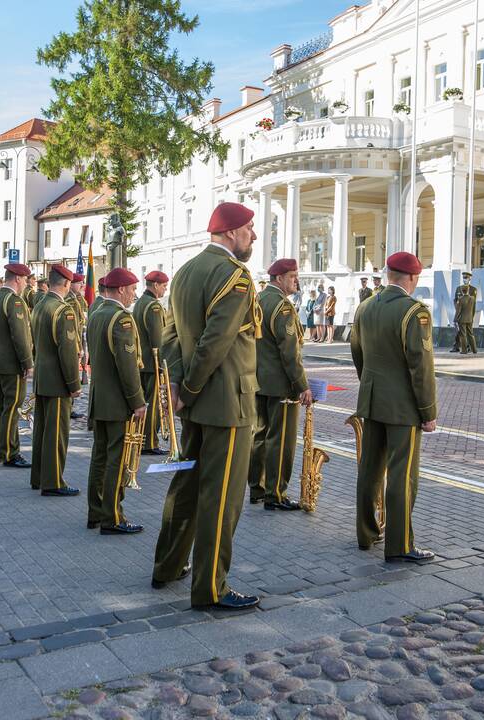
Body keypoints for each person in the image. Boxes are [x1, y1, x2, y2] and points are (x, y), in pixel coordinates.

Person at [151, 201, 261, 610]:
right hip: (227, 402)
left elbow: (169, 334)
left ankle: (167, 565)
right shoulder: (235, 276)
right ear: (231, 232)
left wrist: (179, 384)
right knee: (221, 499)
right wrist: (192, 386)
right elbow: (218, 341)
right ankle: (211, 587)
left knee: (186, 487)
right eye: (249, 228)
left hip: (195, 402)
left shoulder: (184, 273)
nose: (252, 235)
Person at [349, 251, 436, 564]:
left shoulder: (365, 307)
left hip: (371, 401)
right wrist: (428, 411)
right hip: (402, 407)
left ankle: (365, 533)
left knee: (369, 470)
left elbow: (357, 353)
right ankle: (399, 545)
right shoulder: (414, 312)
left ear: (388, 274)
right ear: (412, 278)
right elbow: (421, 367)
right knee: (403, 475)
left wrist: (369, 385)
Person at [86, 268, 147, 533]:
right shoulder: (121, 319)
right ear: (121, 289)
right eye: (132, 289)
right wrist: (138, 401)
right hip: (117, 402)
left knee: (99, 458)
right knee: (115, 460)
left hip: (99, 399)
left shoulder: (96, 314)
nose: (134, 294)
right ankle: (113, 517)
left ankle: (96, 512)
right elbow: (128, 366)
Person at [247, 258, 311, 509]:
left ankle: (257, 488)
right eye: (293, 276)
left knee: (260, 436)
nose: (296, 280)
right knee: (281, 440)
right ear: (279, 278)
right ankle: (276, 494)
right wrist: (301, 385)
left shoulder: (259, 299)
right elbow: (289, 351)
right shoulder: (282, 306)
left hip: (258, 381)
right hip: (281, 386)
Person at [29, 265, 81, 496]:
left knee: (42, 431)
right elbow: (67, 352)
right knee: (56, 434)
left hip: (42, 377)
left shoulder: (40, 305)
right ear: (67, 284)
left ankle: (39, 477)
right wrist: (74, 383)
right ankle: (53, 482)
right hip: (58, 380)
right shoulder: (63, 310)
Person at [0, 263, 34, 468]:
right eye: (24, 280)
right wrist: (27, 362)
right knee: (11, 407)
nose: (25, 283)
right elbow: (20, 336)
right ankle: (10, 452)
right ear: (17, 279)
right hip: (12, 364)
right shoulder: (14, 301)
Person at [132, 270, 169, 455]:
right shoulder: (154, 306)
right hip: (152, 363)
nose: (164, 289)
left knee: (145, 402)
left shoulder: (140, 303)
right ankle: (149, 442)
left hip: (142, 362)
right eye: (163, 286)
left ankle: (142, 438)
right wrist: (163, 364)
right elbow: (158, 339)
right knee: (153, 404)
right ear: (155, 285)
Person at [68, 273, 89, 421]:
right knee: (71, 375)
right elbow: (72, 327)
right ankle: (68, 406)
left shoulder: (77, 299)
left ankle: (70, 406)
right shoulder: (71, 301)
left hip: (78, 337)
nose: (82, 286)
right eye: (79, 283)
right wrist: (78, 347)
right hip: (73, 340)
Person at [454, 271, 478, 355]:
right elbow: (455, 300)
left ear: (470, 278)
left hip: (464, 316)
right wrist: (457, 309)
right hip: (464, 315)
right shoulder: (458, 288)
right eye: (464, 278)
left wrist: (472, 315)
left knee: (464, 334)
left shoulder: (473, 289)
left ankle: (465, 349)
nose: (465, 279)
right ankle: (471, 349)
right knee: (463, 333)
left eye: (466, 278)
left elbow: (473, 306)